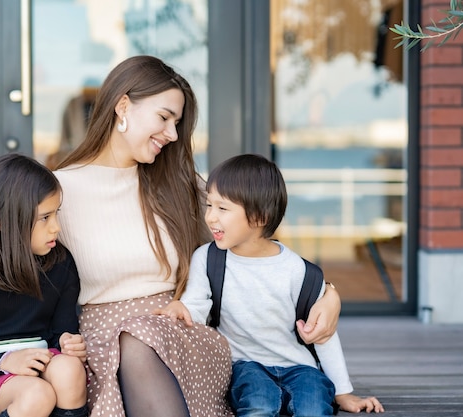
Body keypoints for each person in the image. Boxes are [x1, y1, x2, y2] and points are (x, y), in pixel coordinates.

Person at [0, 56, 342, 417]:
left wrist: (328, 293)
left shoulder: (182, 186)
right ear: (123, 106)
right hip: (93, 343)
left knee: (139, 337)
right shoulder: (59, 191)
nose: (173, 135)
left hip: (179, 337)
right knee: (130, 341)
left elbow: (256, 239)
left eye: (178, 123)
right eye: (164, 118)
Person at [155, 153, 384, 416]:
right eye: (210, 205)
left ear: (259, 217)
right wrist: (179, 308)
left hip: (301, 367)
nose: (211, 218)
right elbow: (196, 306)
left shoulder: (300, 272)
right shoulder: (208, 259)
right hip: (245, 365)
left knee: (313, 407)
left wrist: (343, 393)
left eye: (223, 208)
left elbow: (324, 335)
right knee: (259, 404)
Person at [0, 153, 88, 417]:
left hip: (42, 361)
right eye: (45, 218)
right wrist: (5, 362)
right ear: (2, 222)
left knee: (70, 370)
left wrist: (69, 342)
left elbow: (61, 332)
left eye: (56, 214)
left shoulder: (61, 264)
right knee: (37, 394)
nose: (56, 227)